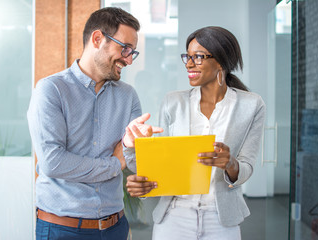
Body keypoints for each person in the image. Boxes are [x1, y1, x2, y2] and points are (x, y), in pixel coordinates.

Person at [27, 7, 162, 240]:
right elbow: (53, 162)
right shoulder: (51, 90)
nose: (129, 59)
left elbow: (135, 163)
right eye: (125, 49)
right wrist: (114, 162)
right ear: (98, 39)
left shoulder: (128, 96)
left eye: (133, 52)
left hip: (115, 226)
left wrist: (133, 148)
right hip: (62, 229)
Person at [123, 26, 266, 240]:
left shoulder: (251, 105)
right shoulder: (173, 102)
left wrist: (230, 163)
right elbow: (161, 168)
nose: (189, 64)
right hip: (174, 216)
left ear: (221, 61)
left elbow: (247, 167)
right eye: (187, 57)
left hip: (222, 219)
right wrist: (133, 148)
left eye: (198, 57)